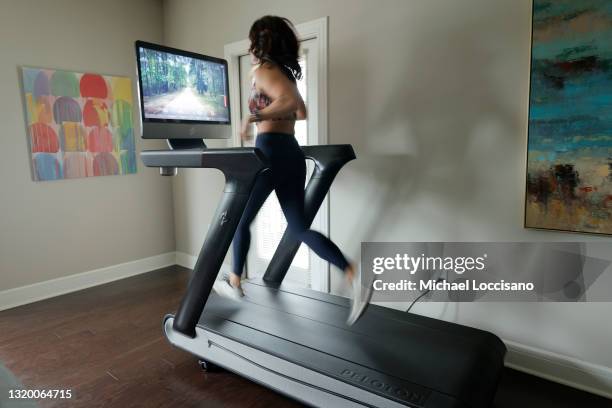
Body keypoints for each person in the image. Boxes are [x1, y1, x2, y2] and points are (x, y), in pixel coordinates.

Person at [213, 15, 372, 325]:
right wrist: (266, 113)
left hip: (270, 152)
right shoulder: (285, 73)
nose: (249, 47)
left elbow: (289, 103)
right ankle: (354, 277)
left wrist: (253, 118)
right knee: (299, 228)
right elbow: (300, 109)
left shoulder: (263, 71)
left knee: (239, 220)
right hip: (292, 154)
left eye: (251, 41)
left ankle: (234, 281)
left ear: (260, 42)